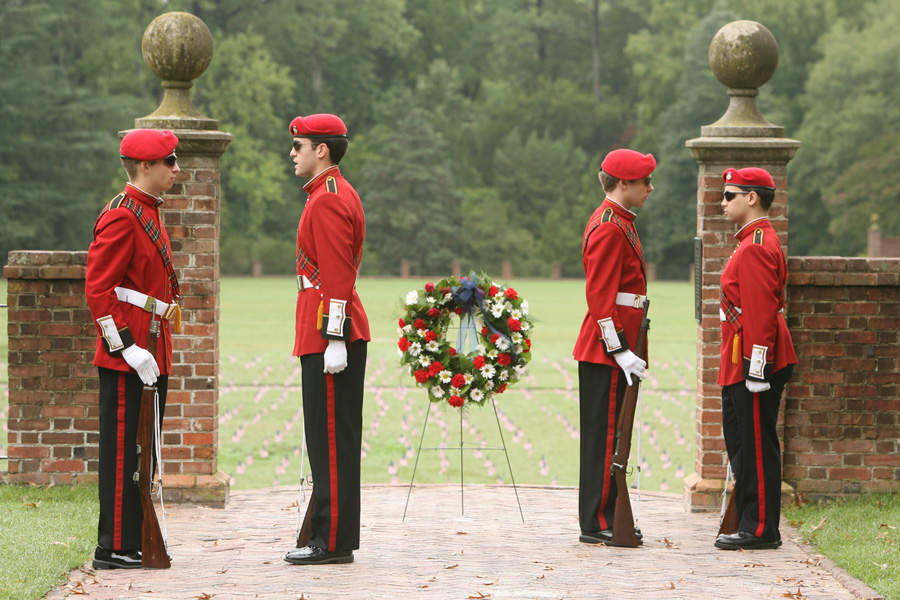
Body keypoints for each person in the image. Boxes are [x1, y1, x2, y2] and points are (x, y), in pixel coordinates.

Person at [85, 129, 181, 569]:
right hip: (131, 351)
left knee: (145, 449)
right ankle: (114, 545)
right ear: (145, 166)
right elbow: (98, 289)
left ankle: (134, 536)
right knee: (124, 450)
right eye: (169, 161)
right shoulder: (123, 216)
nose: (176, 168)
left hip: (152, 343)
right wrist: (125, 347)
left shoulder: (148, 210)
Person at [283, 113, 370, 566]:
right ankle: (330, 535)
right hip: (323, 328)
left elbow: (336, 273)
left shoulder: (328, 199)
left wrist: (334, 336)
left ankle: (330, 541)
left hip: (329, 334)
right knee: (329, 440)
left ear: (321, 149)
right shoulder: (328, 192)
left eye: (298, 145)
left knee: (331, 442)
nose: (292, 153)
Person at [573, 148, 655, 545]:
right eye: (644, 181)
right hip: (607, 350)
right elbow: (600, 298)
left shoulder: (620, 221)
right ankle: (598, 520)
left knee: (613, 434)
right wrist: (619, 350)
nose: (650, 188)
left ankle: (604, 514)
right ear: (623, 183)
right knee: (606, 436)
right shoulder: (609, 226)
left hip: (618, 346)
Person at [714, 167, 798, 550]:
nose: (723, 202)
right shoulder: (750, 240)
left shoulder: (756, 245)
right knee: (742, 443)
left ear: (751, 197)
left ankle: (761, 528)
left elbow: (761, 312)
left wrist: (757, 367)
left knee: (757, 446)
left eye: (729, 195)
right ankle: (751, 520)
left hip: (754, 359)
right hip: (742, 355)